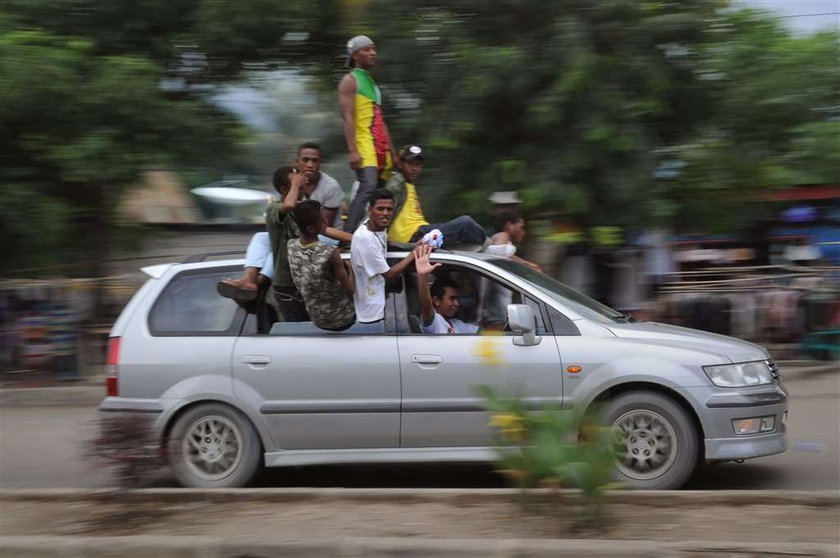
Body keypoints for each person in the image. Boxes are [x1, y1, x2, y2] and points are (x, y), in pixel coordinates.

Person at [218, 144, 352, 303]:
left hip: (324, 236)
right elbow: (284, 208)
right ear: (297, 162)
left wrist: (354, 239)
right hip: (297, 234)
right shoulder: (290, 183)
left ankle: (259, 283)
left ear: (320, 162)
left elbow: (319, 228)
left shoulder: (329, 186)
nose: (310, 165)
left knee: (285, 245)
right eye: (305, 160)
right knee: (260, 237)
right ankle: (249, 278)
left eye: (314, 160)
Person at [339, 35, 398, 233]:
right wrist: (352, 150)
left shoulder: (372, 84)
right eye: (367, 49)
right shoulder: (350, 80)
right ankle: (346, 237)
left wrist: (393, 152)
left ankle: (376, 233)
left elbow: (381, 120)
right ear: (355, 54)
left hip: (381, 146)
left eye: (373, 49)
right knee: (368, 187)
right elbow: (347, 118)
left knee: (381, 194)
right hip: (365, 144)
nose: (373, 53)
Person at [385, 145, 487, 247]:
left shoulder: (409, 185)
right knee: (465, 224)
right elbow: (381, 210)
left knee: (465, 237)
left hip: (423, 231)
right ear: (401, 164)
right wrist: (389, 243)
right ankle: (491, 248)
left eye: (418, 165)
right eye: (410, 164)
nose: (415, 169)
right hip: (413, 237)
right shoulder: (397, 183)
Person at [350, 189, 423, 330]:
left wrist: (412, 245)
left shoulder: (375, 226)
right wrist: (414, 253)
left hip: (383, 303)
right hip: (372, 315)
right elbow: (389, 275)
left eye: (389, 209)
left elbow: (386, 241)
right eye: (380, 209)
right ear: (370, 210)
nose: (385, 213)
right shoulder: (365, 238)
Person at [288, 200, 356, 331]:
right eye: (322, 220)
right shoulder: (330, 252)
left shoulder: (291, 246)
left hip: (316, 319)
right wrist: (352, 267)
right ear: (312, 228)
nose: (326, 221)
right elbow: (350, 290)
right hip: (343, 320)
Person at [415, 252, 479, 334]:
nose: (457, 304)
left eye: (457, 299)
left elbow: (480, 332)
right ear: (436, 300)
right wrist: (422, 276)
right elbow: (426, 305)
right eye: (452, 298)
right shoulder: (434, 322)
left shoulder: (456, 324)